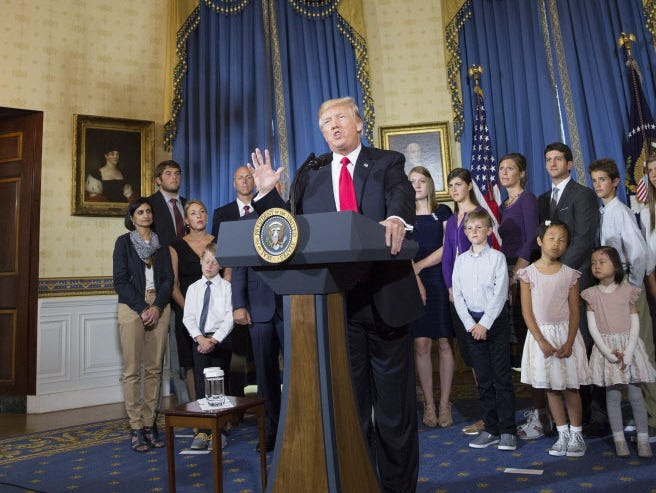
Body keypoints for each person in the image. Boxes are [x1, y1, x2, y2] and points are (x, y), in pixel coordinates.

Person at [248, 96, 422, 493]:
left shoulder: (385, 163)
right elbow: (289, 231)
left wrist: (396, 217)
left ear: (360, 123)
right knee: (350, 410)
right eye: (325, 122)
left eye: (340, 118)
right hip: (336, 308)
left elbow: (401, 194)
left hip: (386, 302)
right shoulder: (311, 175)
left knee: (394, 414)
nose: (333, 126)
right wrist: (267, 196)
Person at [537, 142, 602, 438]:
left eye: (558, 159)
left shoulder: (583, 195)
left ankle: (592, 415)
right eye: (548, 159)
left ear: (570, 164)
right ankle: (562, 418)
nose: (552, 164)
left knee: (582, 344)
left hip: (575, 278)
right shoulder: (543, 199)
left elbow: (585, 239)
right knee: (559, 343)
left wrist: (560, 273)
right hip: (550, 283)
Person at [589, 157, 656, 442]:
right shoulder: (604, 213)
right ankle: (645, 415)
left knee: (642, 351)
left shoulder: (620, 212)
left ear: (615, 181)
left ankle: (654, 418)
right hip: (615, 292)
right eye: (594, 181)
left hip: (628, 291)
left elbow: (639, 254)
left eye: (603, 180)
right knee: (626, 353)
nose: (598, 186)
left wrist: (630, 287)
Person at [518, 220, 591, 457]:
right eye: (551, 237)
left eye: (562, 239)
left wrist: (570, 341)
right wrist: (540, 340)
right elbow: (526, 312)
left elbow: (574, 311)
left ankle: (576, 433)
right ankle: (562, 434)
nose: (556, 243)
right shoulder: (527, 274)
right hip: (541, 336)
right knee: (550, 386)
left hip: (565, 335)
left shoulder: (570, 274)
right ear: (540, 241)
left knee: (570, 386)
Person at [581, 246, 656, 457]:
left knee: (635, 395)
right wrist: (609, 353)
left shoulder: (628, 291)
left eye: (602, 262)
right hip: (608, 351)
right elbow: (593, 328)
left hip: (629, 348)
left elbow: (635, 323)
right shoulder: (591, 295)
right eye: (594, 262)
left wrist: (629, 351)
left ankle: (643, 440)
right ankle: (619, 439)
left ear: (615, 265)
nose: (597, 266)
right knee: (612, 397)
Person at [451, 209, 516, 451]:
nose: (474, 232)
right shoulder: (461, 260)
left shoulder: (497, 258)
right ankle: (491, 428)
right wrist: (471, 325)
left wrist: (485, 324)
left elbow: (500, 294)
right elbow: (457, 295)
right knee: (484, 380)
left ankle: (508, 429)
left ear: (489, 231)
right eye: (470, 228)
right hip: (472, 325)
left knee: (501, 378)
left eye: (479, 227)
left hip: (494, 323)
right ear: (465, 232)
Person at [113, 197, 172, 452]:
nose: (146, 215)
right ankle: (135, 427)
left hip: (159, 305)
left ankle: (150, 423)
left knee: (154, 369)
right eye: (140, 212)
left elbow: (169, 279)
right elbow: (120, 281)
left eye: (148, 211)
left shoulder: (162, 244)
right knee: (132, 370)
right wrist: (143, 308)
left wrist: (157, 306)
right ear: (132, 217)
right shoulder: (123, 243)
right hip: (132, 306)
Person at [497, 153, 546, 439]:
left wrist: (518, 272)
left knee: (530, 340)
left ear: (522, 174)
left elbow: (531, 238)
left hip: (524, 272)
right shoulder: (503, 205)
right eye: (502, 168)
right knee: (518, 343)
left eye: (510, 168)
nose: (505, 172)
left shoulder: (527, 200)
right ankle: (536, 411)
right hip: (506, 270)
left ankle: (541, 413)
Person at [408, 166, 454, 428]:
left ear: (429, 184)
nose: (416, 185)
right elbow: (400, 249)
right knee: (421, 344)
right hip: (412, 282)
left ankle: (445, 403)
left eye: (421, 181)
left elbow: (448, 246)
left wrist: (420, 266)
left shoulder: (442, 212)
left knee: (445, 342)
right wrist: (414, 274)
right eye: (412, 181)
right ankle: (428, 404)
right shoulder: (402, 216)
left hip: (439, 279)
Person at [441, 167, 486, 436]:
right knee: (470, 355)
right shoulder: (451, 219)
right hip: (456, 295)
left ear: (469, 186)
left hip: (477, 293)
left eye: (459, 184)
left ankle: (488, 414)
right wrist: (449, 286)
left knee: (482, 355)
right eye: (451, 185)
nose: (454, 189)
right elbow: (448, 256)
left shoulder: (479, 215)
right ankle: (485, 412)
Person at [231, 245, 284, 453]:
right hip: (258, 308)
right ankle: (271, 430)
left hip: (292, 303)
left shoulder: (297, 213)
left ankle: (297, 425)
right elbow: (239, 266)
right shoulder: (248, 221)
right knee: (264, 374)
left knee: (298, 372)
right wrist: (238, 304)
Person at [210, 166, 256, 396]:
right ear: (233, 183)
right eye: (240, 178)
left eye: (249, 177)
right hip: (232, 284)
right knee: (237, 348)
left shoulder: (265, 208)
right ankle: (237, 399)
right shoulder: (222, 213)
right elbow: (219, 249)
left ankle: (262, 401)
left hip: (260, 285)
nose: (245, 181)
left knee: (260, 346)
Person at [147, 160, 190, 403]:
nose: (174, 177)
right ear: (158, 179)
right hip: (160, 284)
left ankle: (190, 404)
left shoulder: (188, 205)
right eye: (168, 174)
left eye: (177, 173)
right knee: (160, 353)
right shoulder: (149, 206)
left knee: (185, 348)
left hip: (189, 283)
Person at [183, 243, 234, 450]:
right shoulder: (193, 288)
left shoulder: (227, 288)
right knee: (202, 385)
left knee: (219, 385)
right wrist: (200, 339)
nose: (209, 266)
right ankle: (203, 431)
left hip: (219, 341)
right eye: (206, 261)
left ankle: (220, 429)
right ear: (201, 262)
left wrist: (214, 340)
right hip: (200, 341)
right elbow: (188, 317)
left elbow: (229, 318)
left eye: (214, 262)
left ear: (220, 265)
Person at [169, 199, 217, 404]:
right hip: (187, 313)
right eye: (194, 213)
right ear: (186, 220)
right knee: (192, 364)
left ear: (207, 216)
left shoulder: (218, 241)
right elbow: (173, 284)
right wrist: (189, 311)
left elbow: (229, 276)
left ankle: (220, 411)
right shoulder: (176, 245)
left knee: (217, 361)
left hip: (217, 313)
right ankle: (200, 413)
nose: (199, 215)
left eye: (202, 211)